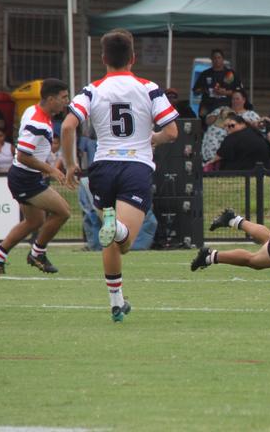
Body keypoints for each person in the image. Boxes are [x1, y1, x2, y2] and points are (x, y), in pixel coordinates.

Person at [61, 28, 179, 322]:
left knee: (108, 239)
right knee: (123, 242)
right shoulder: (148, 87)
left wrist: (70, 163)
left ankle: (116, 302)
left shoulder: (92, 89)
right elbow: (172, 132)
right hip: (135, 167)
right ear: (133, 58)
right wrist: (152, 139)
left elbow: (66, 127)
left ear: (103, 58)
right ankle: (120, 229)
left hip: (102, 167)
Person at [0, 78, 71, 275]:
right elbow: (23, 156)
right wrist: (51, 169)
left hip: (25, 176)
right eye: (63, 97)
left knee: (34, 222)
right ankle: (37, 254)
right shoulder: (37, 122)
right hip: (25, 178)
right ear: (50, 99)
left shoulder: (35, 110)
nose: (67, 101)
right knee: (63, 211)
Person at [204, 114, 270, 171]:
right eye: (225, 126)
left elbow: (220, 155)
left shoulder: (232, 138)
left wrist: (209, 162)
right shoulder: (256, 133)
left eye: (231, 125)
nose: (227, 128)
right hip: (262, 171)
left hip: (241, 171)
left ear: (242, 124)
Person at [192, 48, 242, 125]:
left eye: (219, 58)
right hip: (208, 105)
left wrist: (225, 92)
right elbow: (195, 91)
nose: (217, 60)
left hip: (226, 106)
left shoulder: (230, 74)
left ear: (223, 59)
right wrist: (204, 90)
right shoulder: (205, 74)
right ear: (211, 59)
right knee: (202, 119)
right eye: (214, 58)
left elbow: (239, 92)